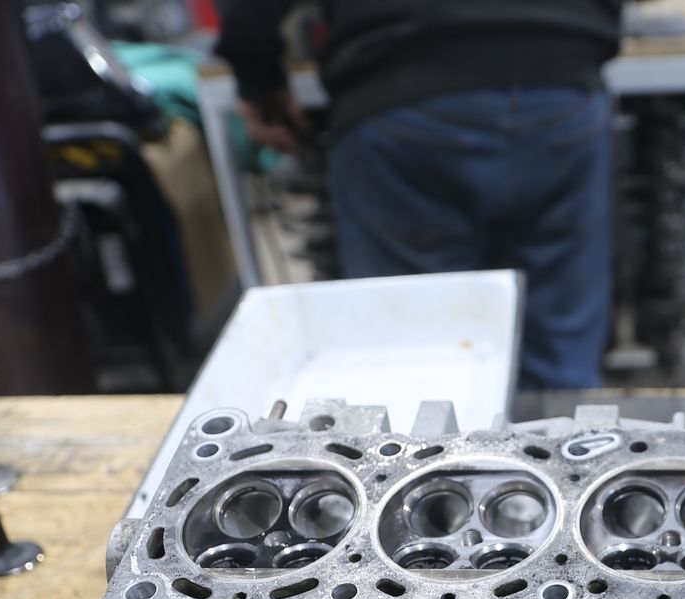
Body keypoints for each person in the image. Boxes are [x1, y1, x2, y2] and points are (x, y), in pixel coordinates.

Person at [216, 1, 623, 389]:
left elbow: (249, 14)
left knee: (416, 354)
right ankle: (568, 449)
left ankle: (435, 451)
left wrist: (259, 80)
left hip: (401, 88)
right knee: (560, 352)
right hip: (560, 81)